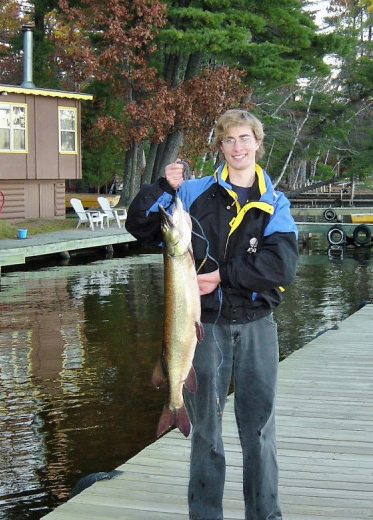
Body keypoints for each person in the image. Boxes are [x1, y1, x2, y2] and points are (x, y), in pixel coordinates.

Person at [126, 109, 298, 520]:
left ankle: (265, 514)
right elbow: (140, 226)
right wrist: (163, 186)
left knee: (258, 431)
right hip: (206, 328)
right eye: (228, 140)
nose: (237, 147)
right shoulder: (194, 192)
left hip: (257, 324)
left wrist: (223, 277)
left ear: (258, 142)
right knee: (206, 432)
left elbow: (282, 267)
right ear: (219, 147)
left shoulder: (275, 203)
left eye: (244, 138)